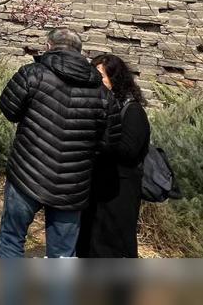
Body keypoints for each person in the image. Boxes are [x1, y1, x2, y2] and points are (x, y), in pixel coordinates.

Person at [0, 27, 121, 258]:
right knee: (63, 254)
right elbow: (110, 143)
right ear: (80, 52)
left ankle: (9, 295)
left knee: (12, 239)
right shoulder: (103, 94)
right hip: (72, 185)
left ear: (48, 46)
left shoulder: (32, 74)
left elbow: (8, 109)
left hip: (27, 173)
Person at [77, 54, 151, 258]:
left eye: (101, 76)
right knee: (88, 240)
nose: (95, 80)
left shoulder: (132, 111)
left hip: (120, 191)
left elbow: (128, 151)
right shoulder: (97, 104)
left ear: (115, 79)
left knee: (113, 245)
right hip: (95, 187)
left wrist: (97, 138)